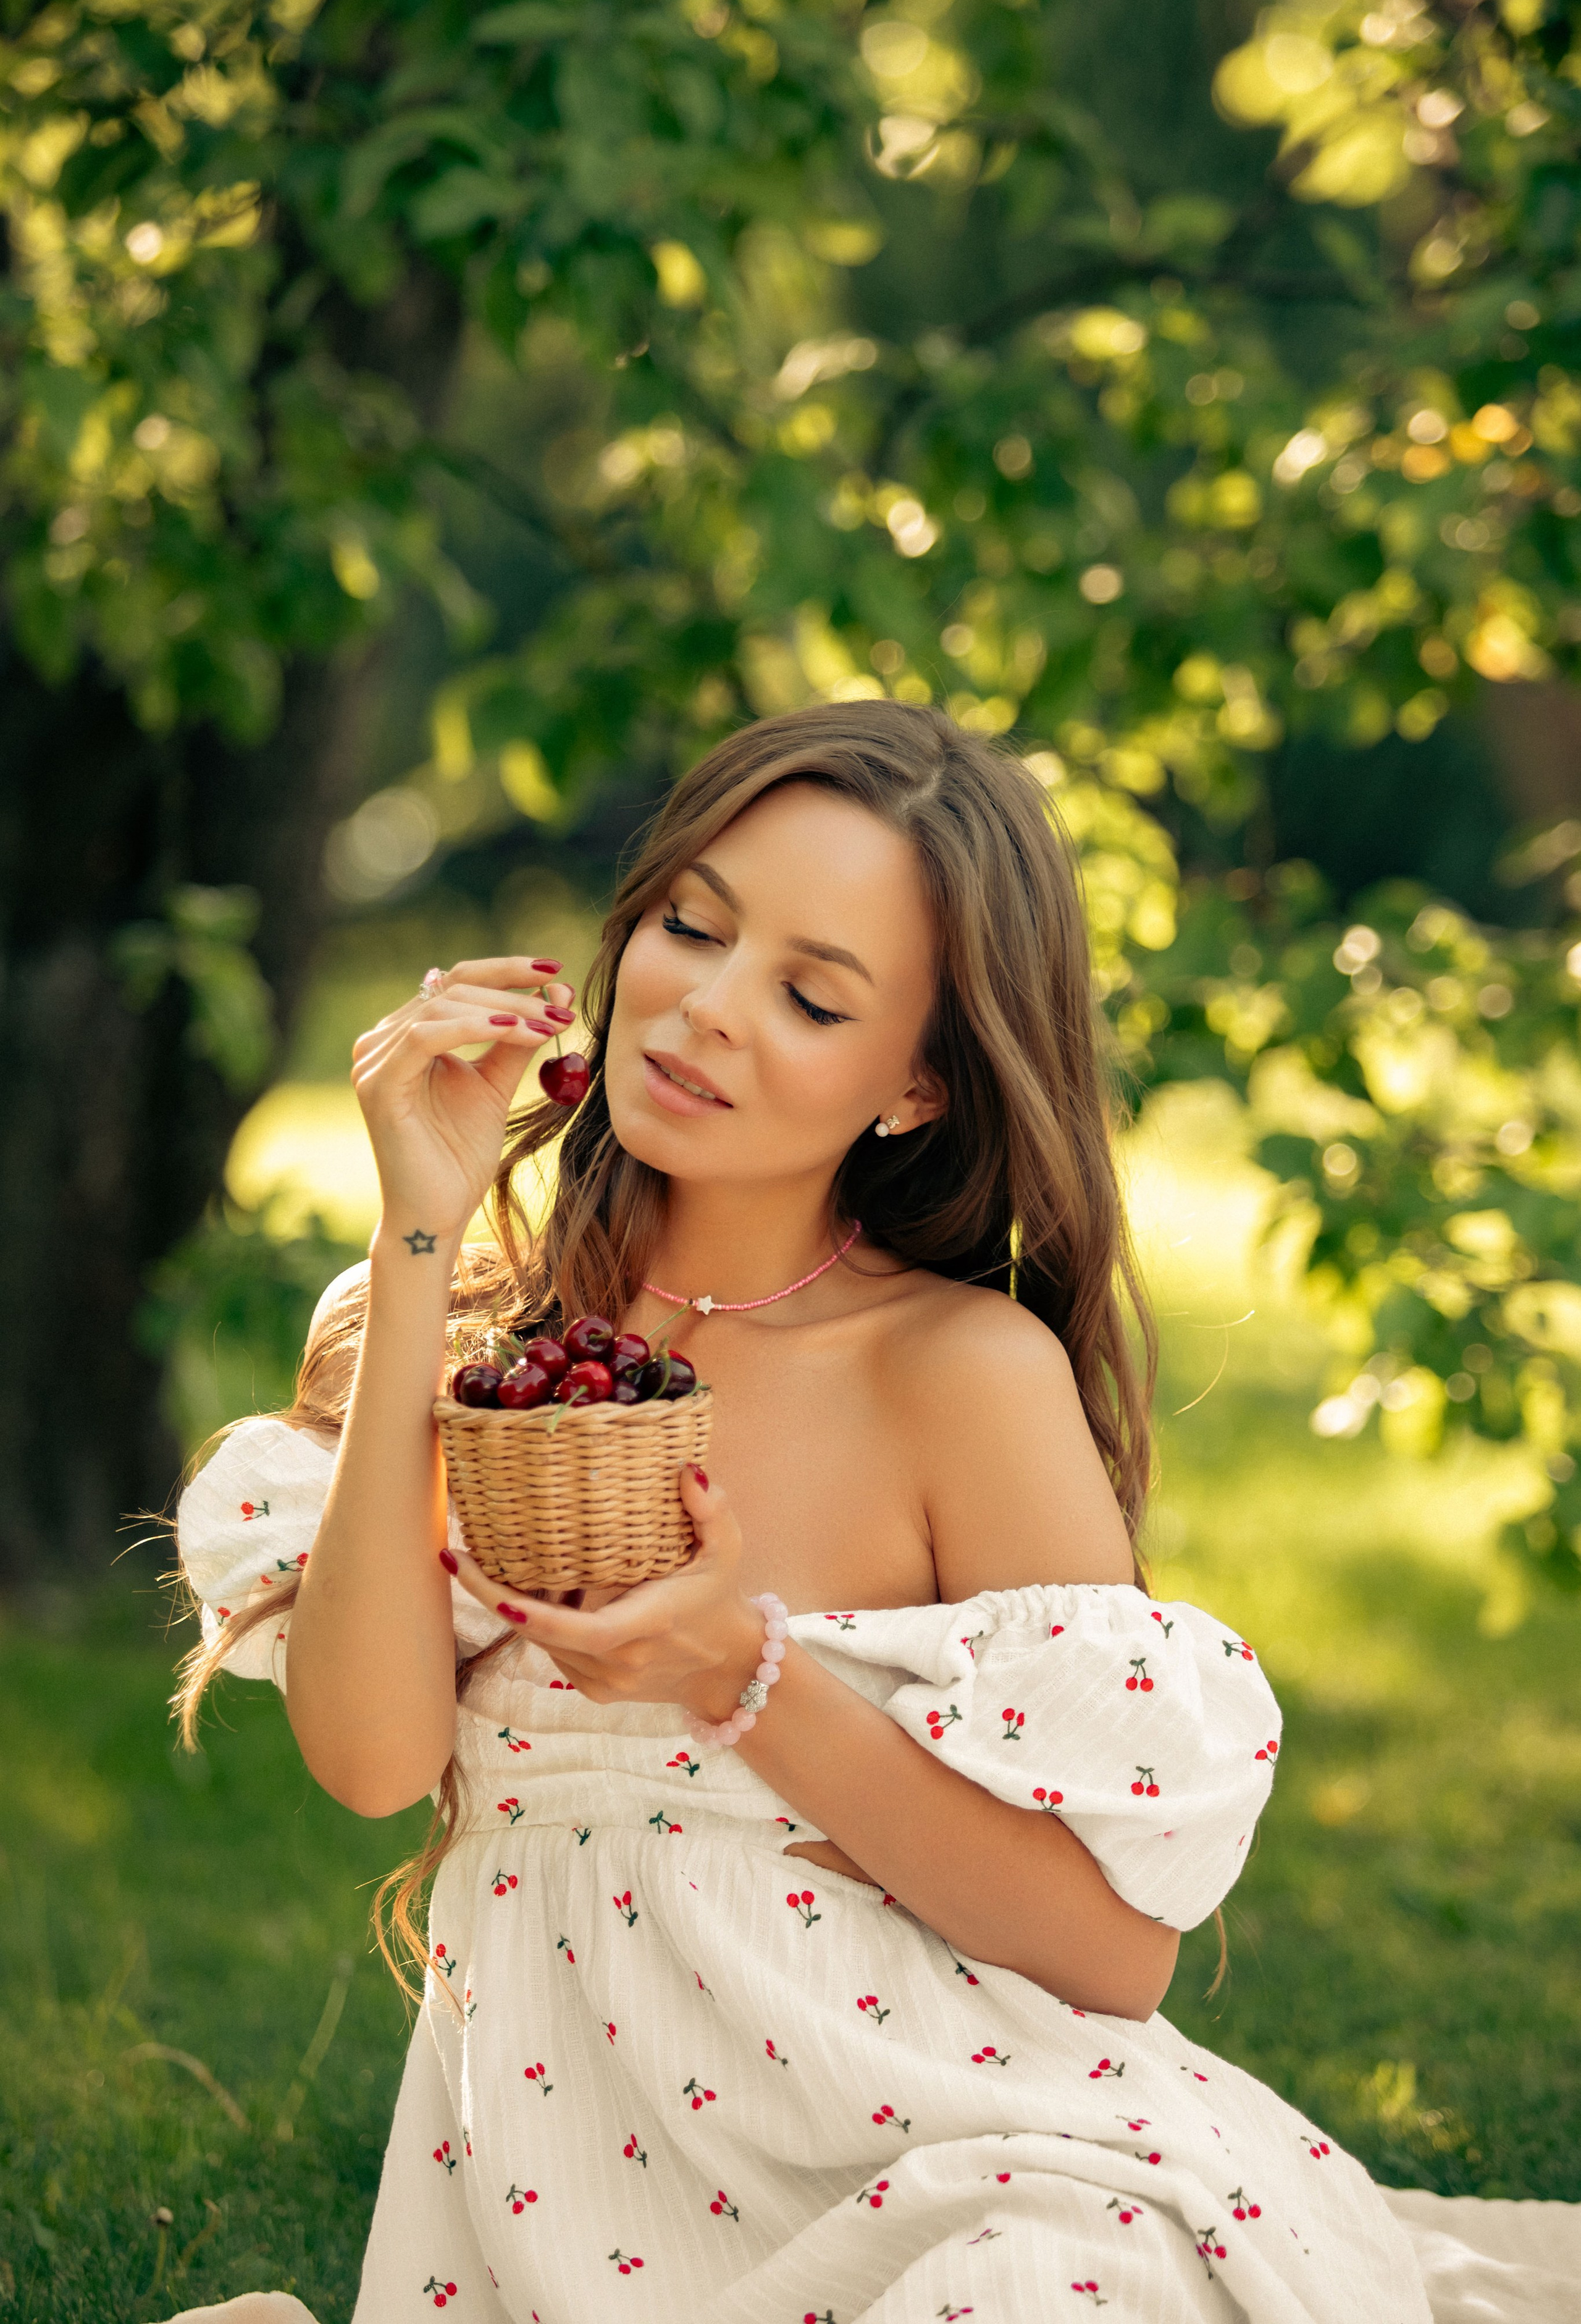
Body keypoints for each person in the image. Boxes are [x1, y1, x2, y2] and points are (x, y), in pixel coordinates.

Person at [174, 703, 1432, 2322]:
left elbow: (1115, 1962)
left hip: (970, 2156)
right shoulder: (455, 1343)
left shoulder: (956, 1373)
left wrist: (735, 1681)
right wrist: (419, 1232)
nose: (705, 1009)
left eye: (810, 994)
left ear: (915, 1084)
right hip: (577, 2198)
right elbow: (368, 1764)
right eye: (693, 927)